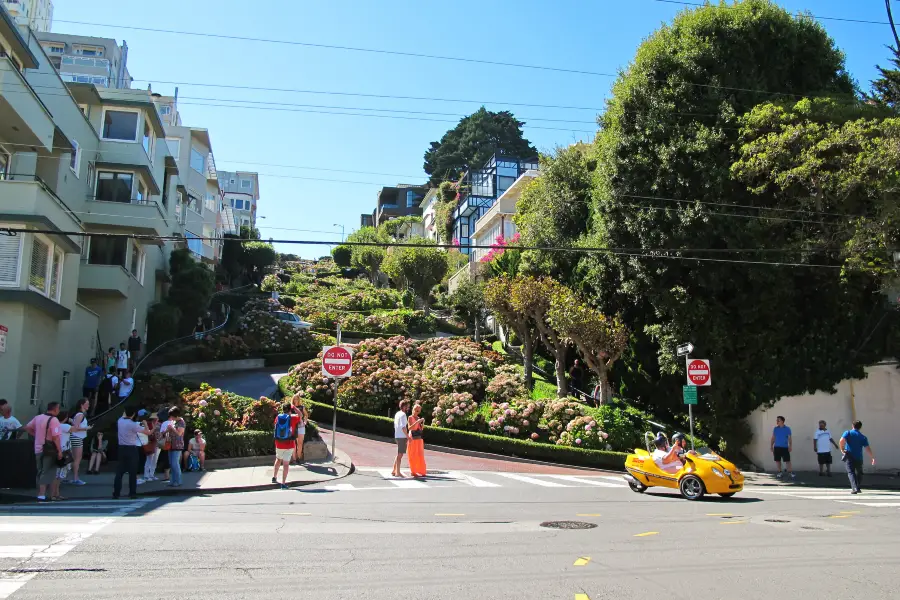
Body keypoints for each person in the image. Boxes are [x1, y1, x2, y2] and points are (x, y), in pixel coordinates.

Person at [22, 402, 63, 502]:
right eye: (58, 409)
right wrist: (59, 450)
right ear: (55, 409)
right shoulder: (54, 420)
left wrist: (36, 435)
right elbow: (55, 437)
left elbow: (27, 427)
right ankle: (43, 494)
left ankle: (42, 493)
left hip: (38, 447)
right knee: (48, 471)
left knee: (40, 470)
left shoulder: (38, 417)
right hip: (50, 449)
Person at [114, 407, 152, 500]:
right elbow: (148, 432)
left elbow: (124, 415)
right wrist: (145, 424)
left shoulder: (120, 421)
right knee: (132, 472)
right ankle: (132, 493)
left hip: (121, 448)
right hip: (131, 448)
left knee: (119, 472)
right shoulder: (134, 425)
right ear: (133, 414)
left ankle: (116, 493)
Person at [840, 420, 876, 495]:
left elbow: (841, 440)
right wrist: (872, 457)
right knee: (859, 472)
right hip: (859, 457)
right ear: (860, 427)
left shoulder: (848, 433)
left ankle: (854, 488)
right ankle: (858, 487)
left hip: (849, 456)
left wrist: (842, 449)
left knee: (851, 472)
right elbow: (867, 448)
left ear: (852, 426)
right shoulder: (863, 437)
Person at [272, 403, 301, 489]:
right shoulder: (293, 418)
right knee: (285, 464)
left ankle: (274, 477)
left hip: (278, 443)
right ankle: (283, 483)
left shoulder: (278, 417)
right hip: (289, 444)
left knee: (278, 460)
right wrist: (294, 407)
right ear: (290, 410)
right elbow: (300, 415)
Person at [68, 398, 92, 485]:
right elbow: (76, 427)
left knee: (75, 459)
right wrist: (87, 428)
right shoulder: (80, 415)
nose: (89, 405)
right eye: (87, 403)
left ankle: (74, 477)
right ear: (82, 405)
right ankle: (75, 478)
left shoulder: (79, 415)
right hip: (76, 437)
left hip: (76, 437)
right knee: (77, 459)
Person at [160, 408, 186, 487]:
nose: (171, 418)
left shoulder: (181, 422)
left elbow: (179, 433)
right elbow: (170, 430)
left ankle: (178, 481)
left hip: (177, 445)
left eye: (172, 416)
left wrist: (172, 428)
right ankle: (173, 480)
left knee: (175, 464)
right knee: (172, 463)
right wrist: (166, 431)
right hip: (171, 444)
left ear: (176, 415)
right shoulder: (174, 421)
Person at [770, 416, 794, 480]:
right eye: (777, 420)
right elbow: (773, 437)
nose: (777, 421)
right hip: (777, 447)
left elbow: (789, 438)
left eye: (778, 420)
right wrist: (771, 446)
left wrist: (790, 446)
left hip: (785, 447)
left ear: (782, 421)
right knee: (777, 460)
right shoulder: (775, 429)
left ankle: (790, 472)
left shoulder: (787, 429)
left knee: (787, 460)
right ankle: (779, 472)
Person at [391, 400, 411, 478]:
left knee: (399, 453)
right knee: (400, 455)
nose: (408, 408)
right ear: (404, 406)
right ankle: (398, 472)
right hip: (402, 436)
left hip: (397, 435)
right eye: (407, 406)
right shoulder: (403, 415)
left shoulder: (397, 414)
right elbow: (403, 427)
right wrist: (408, 436)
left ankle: (394, 470)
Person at [407, 403, 427, 478]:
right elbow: (409, 428)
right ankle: (413, 471)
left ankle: (421, 470)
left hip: (418, 438)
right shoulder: (410, 417)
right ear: (413, 409)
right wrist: (417, 422)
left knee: (420, 455)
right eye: (415, 410)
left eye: (418, 411)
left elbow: (421, 429)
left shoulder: (418, 418)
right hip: (412, 438)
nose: (416, 412)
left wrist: (422, 423)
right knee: (413, 454)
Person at [55, 411, 72, 495]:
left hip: (57, 449)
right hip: (64, 450)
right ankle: (56, 493)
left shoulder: (55, 425)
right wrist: (73, 421)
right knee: (60, 473)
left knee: (57, 472)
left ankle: (55, 493)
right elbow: (76, 429)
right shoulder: (65, 426)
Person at [142, 414, 161, 482]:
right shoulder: (148, 424)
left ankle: (151, 474)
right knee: (149, 459)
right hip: (150, 443)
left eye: (157, 418)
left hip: (157, 443)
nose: (156, 419)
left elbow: (161, 433)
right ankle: (146, 475)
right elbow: (146, 433)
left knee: (155, 460)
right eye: (155, 418)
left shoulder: (159, 424)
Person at [291, 397, 308, 466]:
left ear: (299, 399)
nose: (296, 400)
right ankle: (294, 459)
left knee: (300, 443)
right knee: (293, 444)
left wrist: (305, 422)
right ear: (293, 400)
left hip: (301, 427)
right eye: (294, 399)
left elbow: (306, 415)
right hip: (293, 427)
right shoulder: (291, 407)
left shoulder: (302, 407)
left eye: (297, 399)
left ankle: (298, 458)